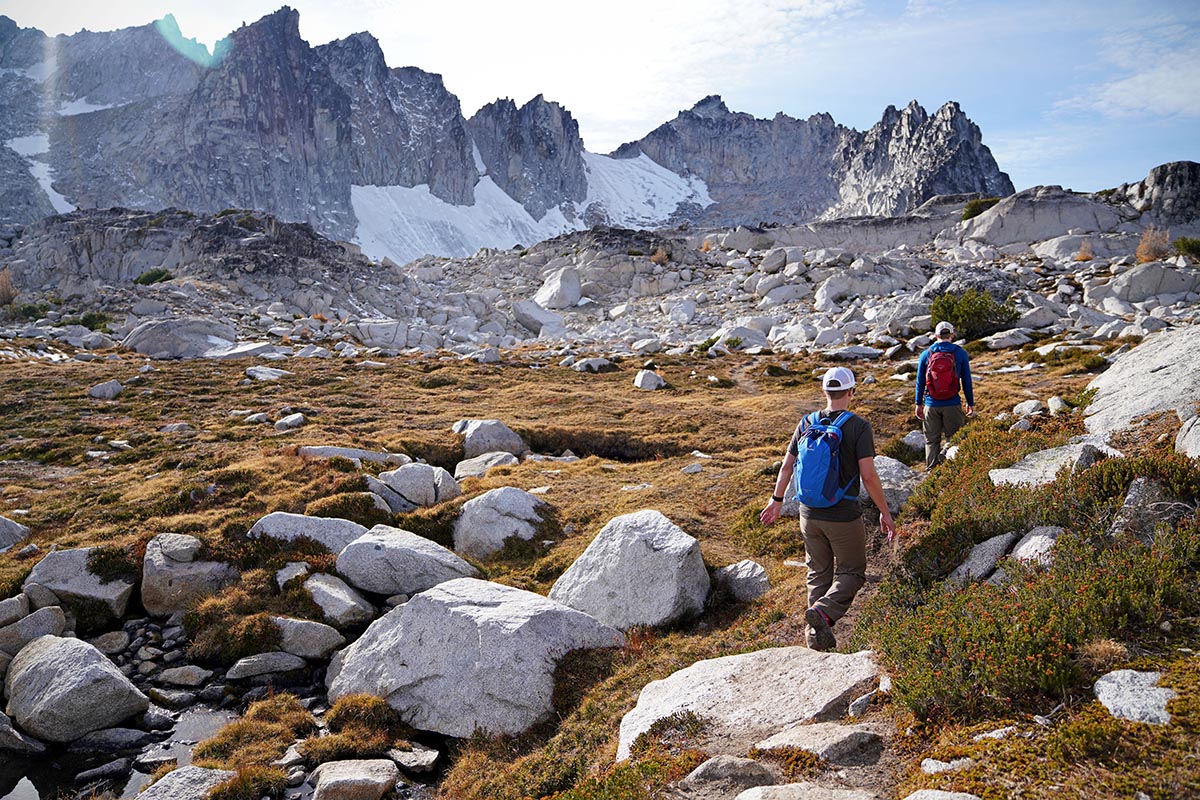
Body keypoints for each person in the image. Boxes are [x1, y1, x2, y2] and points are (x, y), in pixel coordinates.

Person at [759, 366, 896, 652]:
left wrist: (777, 499)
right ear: (851, 392)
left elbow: (787, 466)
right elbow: (868, 476)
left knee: (818, 573)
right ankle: (823, 612)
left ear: (824, 391)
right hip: (843, 515)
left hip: (808, 514)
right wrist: (884, 511)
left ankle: (814, 640)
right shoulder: (858, 426)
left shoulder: (806, 422)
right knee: (852, 573)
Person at [914, 320, 975, 470]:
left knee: (931, 441)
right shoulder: (960, 353)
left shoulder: (926, 354)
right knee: (954, 439)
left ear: (936, 336)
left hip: (931, 404)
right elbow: (966, 380)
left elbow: (920, 381)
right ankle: (952, 470)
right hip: (952, 403)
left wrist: (918, 403)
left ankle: (932, 472)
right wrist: (970, 402)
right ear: (952, 335)